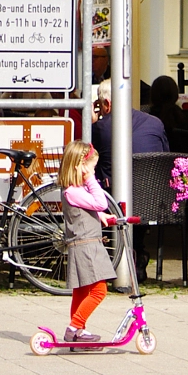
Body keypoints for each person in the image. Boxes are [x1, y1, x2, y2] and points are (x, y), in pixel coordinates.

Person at [57, 139, 117, 344]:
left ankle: (79, 330)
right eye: (92, 167)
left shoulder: (73, 190)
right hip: (87, 246)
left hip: (84, 244)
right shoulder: (73, 191)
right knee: (99, 291)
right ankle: (74, 326)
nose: (94, 172)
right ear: (80, 167)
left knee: (81, 290)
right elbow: (100, 202)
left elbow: (88, 208)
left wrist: (101, 217)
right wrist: (91, 179)